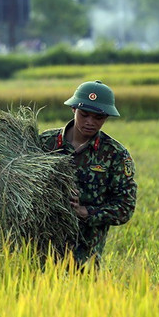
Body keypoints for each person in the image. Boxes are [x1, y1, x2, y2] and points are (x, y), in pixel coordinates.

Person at [39, 80, 137, 270]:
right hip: (39, 252)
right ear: (73, 109)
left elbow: (125, 207)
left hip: (84, 260)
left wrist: (85, 212)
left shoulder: (115, 155)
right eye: (84, 115)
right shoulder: (44, 144)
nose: (90, 122)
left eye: (98, 117)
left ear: (106, 117)